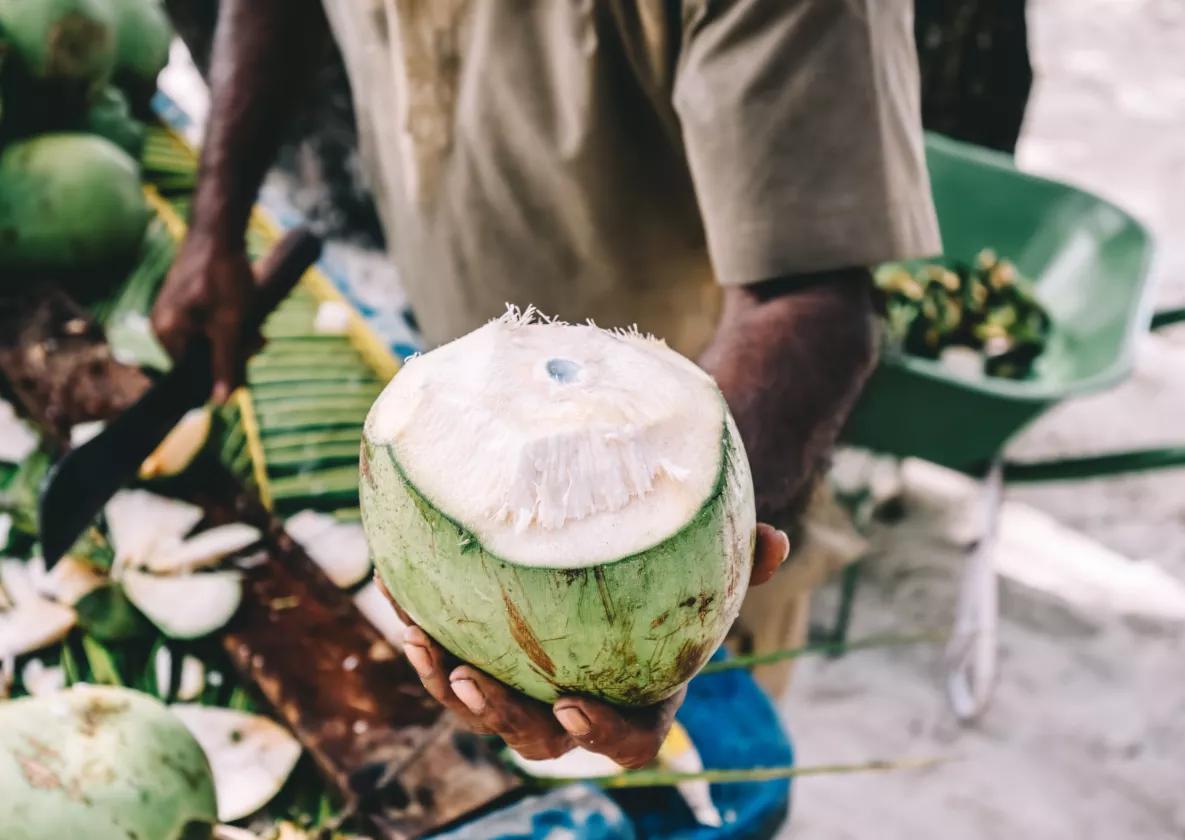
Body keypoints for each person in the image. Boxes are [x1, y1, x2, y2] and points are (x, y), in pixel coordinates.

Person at [152, 0, 941, 768]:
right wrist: (216, 222)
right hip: (468, 404)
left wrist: (687, 569)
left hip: (716, 471)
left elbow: (810, 297)